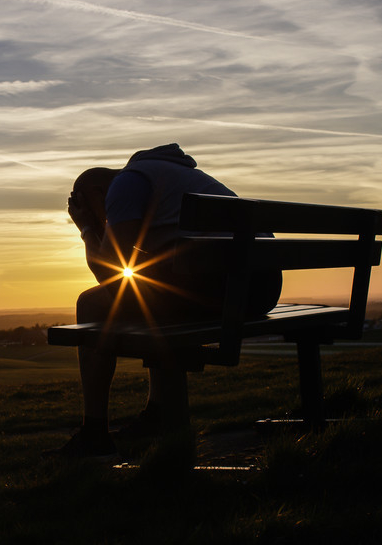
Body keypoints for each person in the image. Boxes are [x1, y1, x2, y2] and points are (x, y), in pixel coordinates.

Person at [46, 143, 281, 460]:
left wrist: (87, 227)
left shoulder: (125, 185)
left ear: (99, 192)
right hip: (259, 290)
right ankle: (157, 414)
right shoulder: (169, 178)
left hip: (224, 286)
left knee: (91, 303)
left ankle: (95, 434)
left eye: (90, 208)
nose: (105, 220)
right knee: (152, 295)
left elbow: (107, 273)